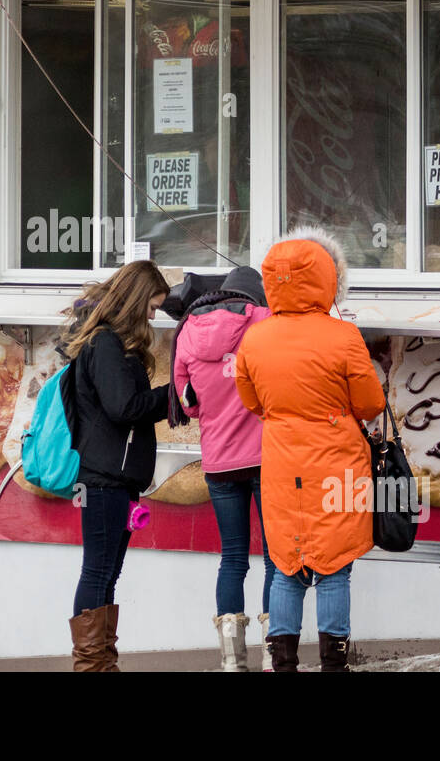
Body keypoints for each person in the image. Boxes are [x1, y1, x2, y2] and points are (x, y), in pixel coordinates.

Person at [234, 228, 385, 673]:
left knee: (286, 566)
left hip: (281, 466)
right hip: (339, 465)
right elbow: (371, 403)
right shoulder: (344, 337)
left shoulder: (256, 339)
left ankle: (282, 662)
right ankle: (333, 663)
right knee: (335, 567)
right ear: (326, 279)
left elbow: (251, 401)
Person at [62, 259, 171, 672]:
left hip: (117, 480)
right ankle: (91, 666)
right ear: (137, 299)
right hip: (103, 479)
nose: (152, 315)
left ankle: (101, 664)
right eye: (152, 305)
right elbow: (123, 406)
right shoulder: (104, 343)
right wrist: (172, 396)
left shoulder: (111, 341)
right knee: (98, 572)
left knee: (106, 574)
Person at [171, 266, 276, 671]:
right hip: (265, 458)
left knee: (232, 557)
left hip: (218, 462)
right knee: (275, 558)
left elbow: (188, 404)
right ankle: (273, 653)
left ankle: (232, 660)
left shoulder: (187, 332)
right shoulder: (265, 322)